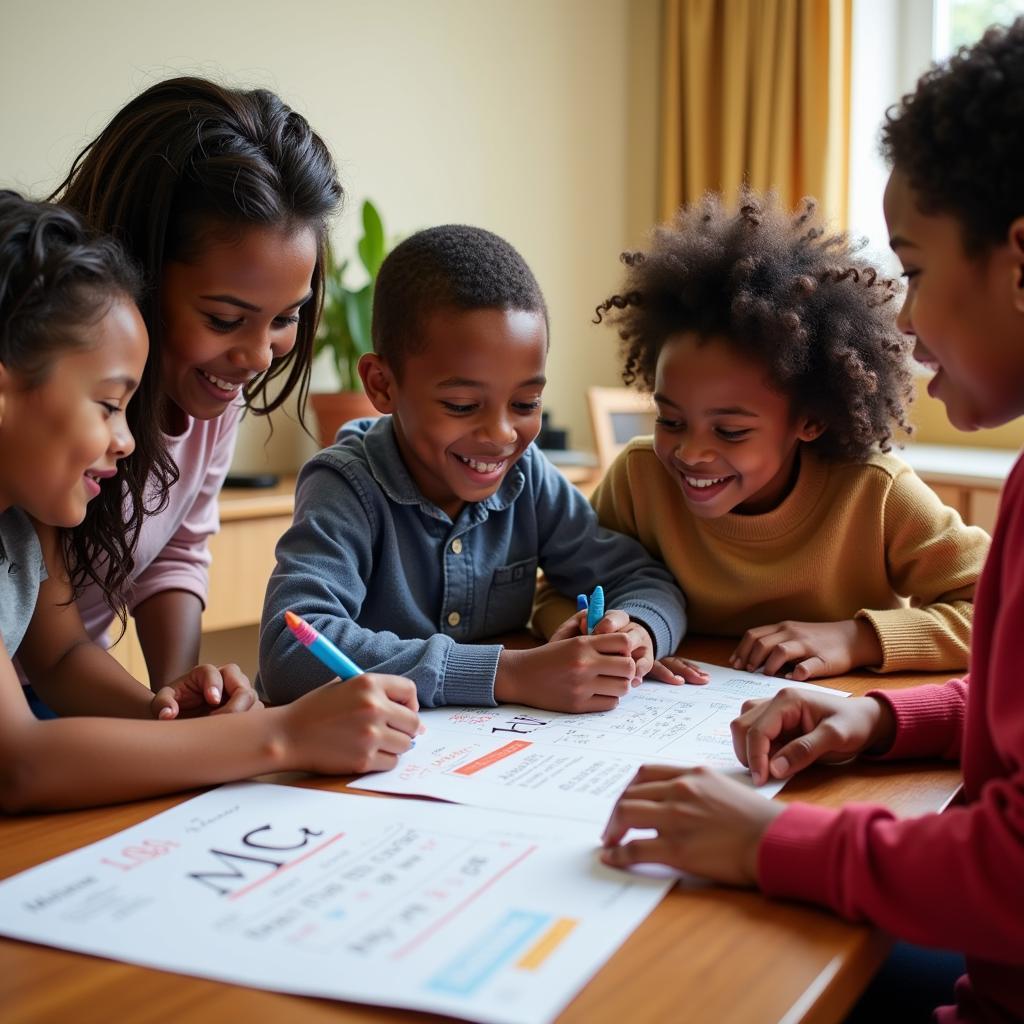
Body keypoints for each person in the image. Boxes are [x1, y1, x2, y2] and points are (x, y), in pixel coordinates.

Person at [600, 19, 1024, 1023]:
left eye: (914, 270)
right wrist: (880, 718)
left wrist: (765, 840)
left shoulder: (881, 490)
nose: (906, 321)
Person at [0, 191, 421, 813]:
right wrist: (281, 735)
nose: (127, 439)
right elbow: (20, 765)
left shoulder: (17, 527)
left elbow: (60, 655)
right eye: (110, 404)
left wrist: (164, 713)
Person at [532, 190, 988, 680]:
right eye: (670, 420)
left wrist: (858, 638)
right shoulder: (639, 477)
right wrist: (603, 632)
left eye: (729, 431)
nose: (690, 452)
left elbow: (993, 609)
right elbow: (556, 589)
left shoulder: (876, 492)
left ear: (809, 420)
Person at [260, 224, 699, 714]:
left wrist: (636, 630)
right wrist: (505, 673)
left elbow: (645, 579)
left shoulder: (526, 478)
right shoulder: (344, 485)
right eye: (463, 405)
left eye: (526, 402)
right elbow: (291, 648)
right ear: (382, 385)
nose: (502, 434)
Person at [45, 76, 342, 698]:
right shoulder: (43, 414)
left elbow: (177, 551)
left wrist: (185, 693)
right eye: (225, 320)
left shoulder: (214, 383)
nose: (257, 356)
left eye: (285, 318)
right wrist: (177, 726)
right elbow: (54, 657)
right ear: (137, 270)